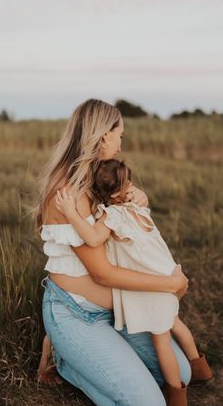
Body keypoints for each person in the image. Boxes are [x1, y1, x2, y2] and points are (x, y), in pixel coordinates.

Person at [36, 98, 191, 406]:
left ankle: (80, 358)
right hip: (77, 313)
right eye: (120, 135)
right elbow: (102, 273)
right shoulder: (68, 193)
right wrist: (170, 285)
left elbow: (119, 227)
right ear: (104, 135)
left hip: (119, 309)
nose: (120, 145)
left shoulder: (100, 176)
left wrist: (138, 198)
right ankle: (66, 360)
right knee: (150, 403)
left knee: (181, 375)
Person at [55, 158, 212, 405]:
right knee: (176, 324)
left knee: (161, 342)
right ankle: (202, 368)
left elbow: (93, 239)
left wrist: (71, 213)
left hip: (155, 286)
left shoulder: (112, 215)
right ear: (124, 187)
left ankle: (176, 394)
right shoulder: (138, 207)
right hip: (168, 273)